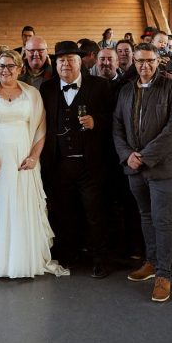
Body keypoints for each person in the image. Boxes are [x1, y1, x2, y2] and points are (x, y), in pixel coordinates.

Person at [0, 50, 69, 278]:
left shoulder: (32, 94)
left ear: (20, 69)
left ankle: (23, 257)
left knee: (21, 203)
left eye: (11, 66)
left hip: (23, 160)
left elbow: (41, 129)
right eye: (1, 66)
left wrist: (34, 156)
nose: (5, 70)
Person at [114, 43, 172, 303]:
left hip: (163, 167)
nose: (144, 66)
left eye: (149, 61)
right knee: (145, 216)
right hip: (133, 166)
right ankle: (152, 262)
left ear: (159, 62)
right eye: (139, 61)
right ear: (133, 62)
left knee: (163, 220)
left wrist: (145, 156)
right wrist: (127, 155)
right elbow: (117, 127)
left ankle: (164, 275)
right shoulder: (126, 91)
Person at [39, 41, 112, 278]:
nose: (66, 64)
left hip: (90, 164)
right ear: (55, 64)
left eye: (71, 60)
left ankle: (99, 259)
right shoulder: (46, 89)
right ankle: (70, 255)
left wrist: (97, 122)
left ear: (81, 63)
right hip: (59, 163)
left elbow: (115, 119)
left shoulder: (100, 86)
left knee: (94, 213)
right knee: (64, 212)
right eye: (61, 60)